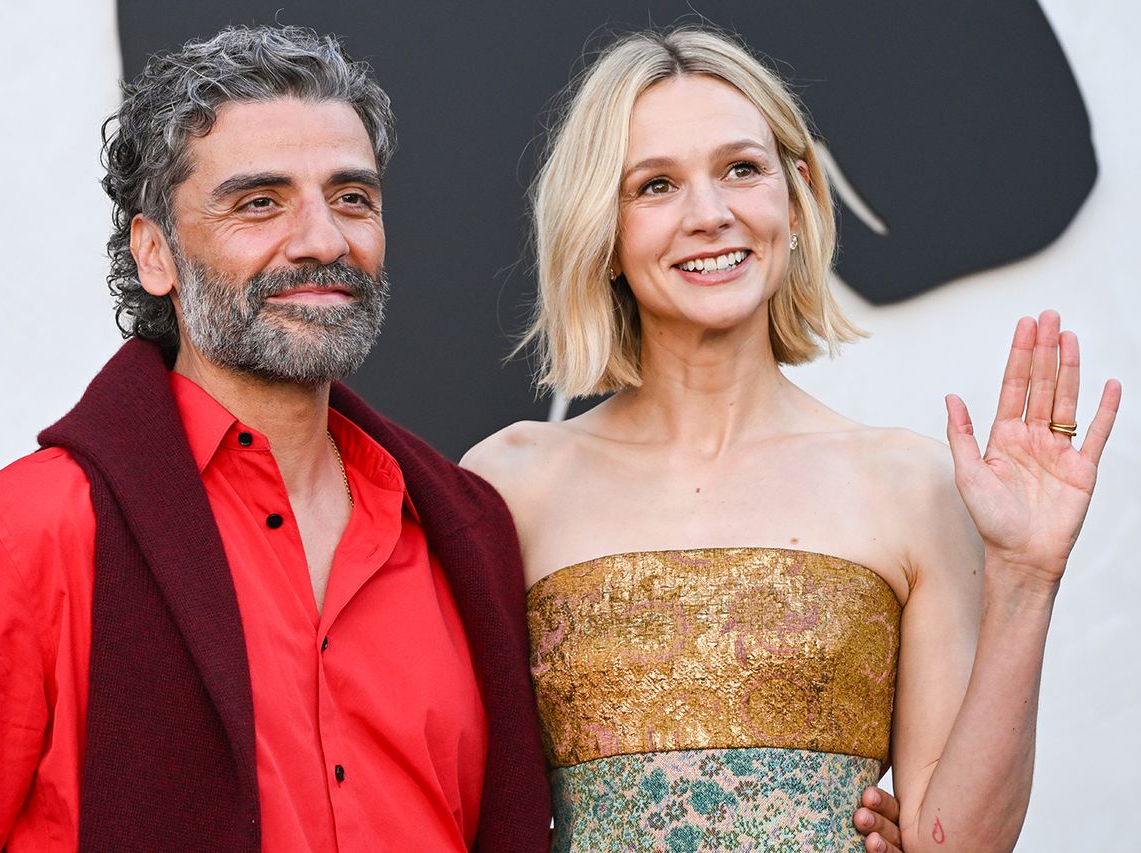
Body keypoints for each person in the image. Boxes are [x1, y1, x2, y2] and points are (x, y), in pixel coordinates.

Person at [0, 26, 553, 852]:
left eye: (352, 197)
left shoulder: (462, 532)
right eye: (259, 202)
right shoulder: (22, 538)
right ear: (155, 252)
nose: (322, 240)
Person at [463, 27, 1121, 853]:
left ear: (797, 195)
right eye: (656, 185)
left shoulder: (909, 483)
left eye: (742, 168)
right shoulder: (507, 486)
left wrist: (1026, 577)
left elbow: (956, 845)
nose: (710, 215)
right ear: (602, 230)